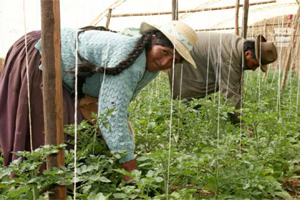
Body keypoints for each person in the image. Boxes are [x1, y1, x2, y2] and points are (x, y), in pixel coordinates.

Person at [0, 21, 197, 180]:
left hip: (67, 77)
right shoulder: (128, 53)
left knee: (75, 131)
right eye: (164, 52)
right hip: (41, 53)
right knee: (44, 129)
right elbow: (111, 114)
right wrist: (129, 168)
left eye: (174, 60)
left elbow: (118, 104)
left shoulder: (148, 64)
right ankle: (31, 181)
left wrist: (124, 146)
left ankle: (60, 179)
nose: (165, 62)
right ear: (152, 39)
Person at [168, 32, 277, 123]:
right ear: (248, 54)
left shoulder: (237, 45)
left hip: (195, 62)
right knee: (187, 105)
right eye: (255, 65)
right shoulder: (228, 57)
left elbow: (235, 86)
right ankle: (181, 133)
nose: (253, 69)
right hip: (182, 62)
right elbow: (230, 94)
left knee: (197, 108)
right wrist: (240, 126)